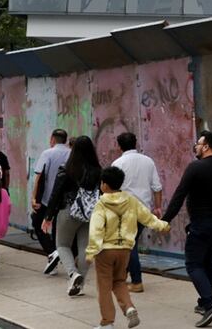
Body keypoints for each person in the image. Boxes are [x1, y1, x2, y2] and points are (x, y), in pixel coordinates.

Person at [160, 131, 212, 328]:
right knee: (208, 262)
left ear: (206, 147)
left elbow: (179, 196)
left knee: (193, 264)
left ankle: (210, 304)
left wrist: (165, 220)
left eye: (198, 143)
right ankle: (205, 303)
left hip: (201, 224)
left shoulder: (195, 168)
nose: (195, 146)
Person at [86, 166, 170, 329]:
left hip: (105, 251)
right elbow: (147, 217)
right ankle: (129, 308)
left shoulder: (101, 204)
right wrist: (163, 225)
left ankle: (107, 322)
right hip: (125, 250)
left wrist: (91, 251)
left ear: (103, 185)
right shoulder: (131, 201)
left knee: (104, 286)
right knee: (119, 281)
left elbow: (96, 229)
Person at [42, 135, 102, 297]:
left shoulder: (67, 168)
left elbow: (56, 193)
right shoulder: (98, 170)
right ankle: (79, 285)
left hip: (69, 211)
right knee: (85, 248)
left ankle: (73, 274)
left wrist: (48, 216)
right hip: (91, 213)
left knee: (62, 244)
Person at [111, 132, 163, 293]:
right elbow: (157, 187)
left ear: (119, 146)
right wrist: (158, 207)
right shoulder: (148, 161)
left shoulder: (118, 163)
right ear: (136, 143)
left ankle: (136, 281)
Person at [33, 129, 71, 274]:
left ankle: (51, 252)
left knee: (38, 223)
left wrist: (34, 198)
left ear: (52, 139)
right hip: (65, 200)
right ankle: (54, 258)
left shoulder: (47, 153)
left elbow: (39, 177)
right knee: (57, 229)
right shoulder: (71, 154)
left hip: (47, 198)